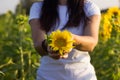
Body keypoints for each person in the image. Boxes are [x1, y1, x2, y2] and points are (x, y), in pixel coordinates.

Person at [29, 0, 101, 80]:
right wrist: (49, 46)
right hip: (47, 76)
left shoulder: (89, 7)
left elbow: (91, 43)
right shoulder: (38, 7)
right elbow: (38, 43)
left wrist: (71, 40)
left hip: (82, 76)